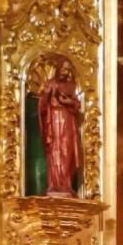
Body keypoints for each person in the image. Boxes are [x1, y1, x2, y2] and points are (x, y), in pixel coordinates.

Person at [37, 57, 83, 195]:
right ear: (58, 69)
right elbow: (42, 107)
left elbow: (76, 105)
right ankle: (54, 184)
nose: (65, 72)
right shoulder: (49, 84)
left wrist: (67, 101)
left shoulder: (71, 86)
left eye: (68, 70)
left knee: (66, 150)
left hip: (67, 121)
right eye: (63, 68)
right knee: (55, 151)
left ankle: (66, 184)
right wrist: (46, 95)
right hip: (53, 121)